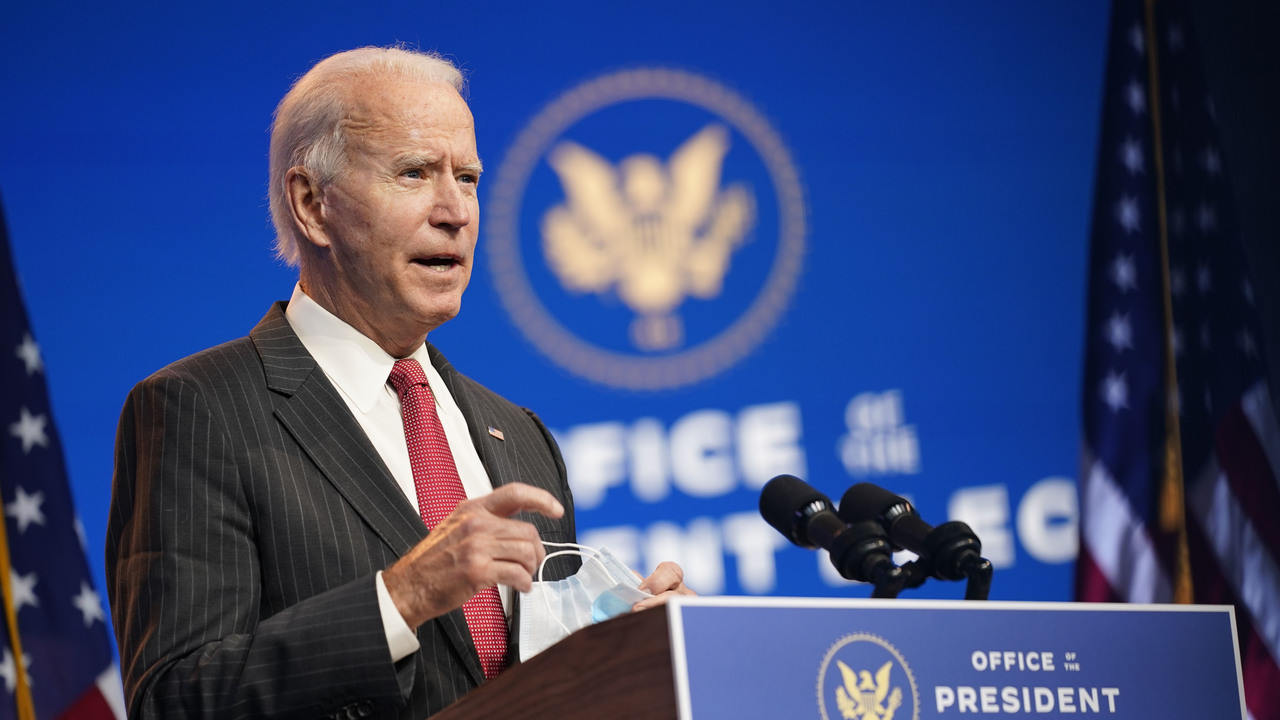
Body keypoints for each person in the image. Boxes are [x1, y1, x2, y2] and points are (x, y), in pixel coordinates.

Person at [106, 46, 692, 719]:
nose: (456, 211)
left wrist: (636, 646)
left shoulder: (521, 435)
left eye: (467, 178)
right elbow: (174, 700)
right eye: (414, 173)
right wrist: (402, 598)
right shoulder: (201, 408)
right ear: (311, 205)